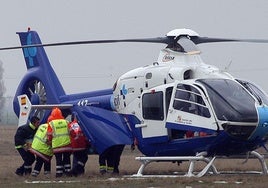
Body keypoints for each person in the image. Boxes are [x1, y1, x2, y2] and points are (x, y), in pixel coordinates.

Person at [47, 107, 72, 177]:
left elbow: (49, 135)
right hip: (67, 145)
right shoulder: (66, 122)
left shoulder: (51, 123)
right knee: (67, 159)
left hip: (57, 146)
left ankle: (59, 173)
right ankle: (68, 172)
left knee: (59, 160)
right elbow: (71, 132)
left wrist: (49, 141)